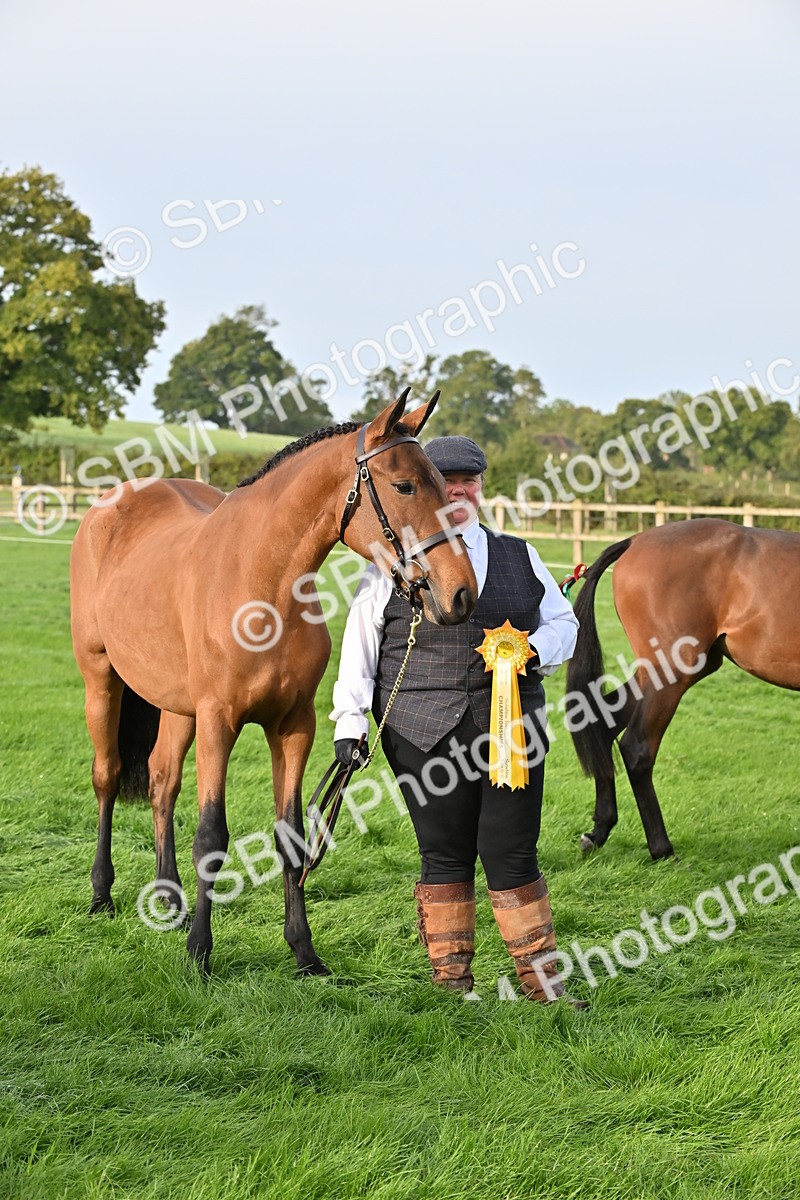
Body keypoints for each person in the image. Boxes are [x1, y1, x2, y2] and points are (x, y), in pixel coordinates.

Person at [330, 435, 584, 1005]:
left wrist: (531, 651)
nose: (462, 490)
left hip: (511, 726)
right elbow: (360, 645)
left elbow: (564, 624)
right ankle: (451, 985)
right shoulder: (391, 564)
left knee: (512, 850)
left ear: (480, 489)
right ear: (432, 491)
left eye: (472, 482)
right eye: (450, 482)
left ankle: (543, 985)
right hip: (419, 728)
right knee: (443, 853)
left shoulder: (520, 554)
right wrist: (349, 723)